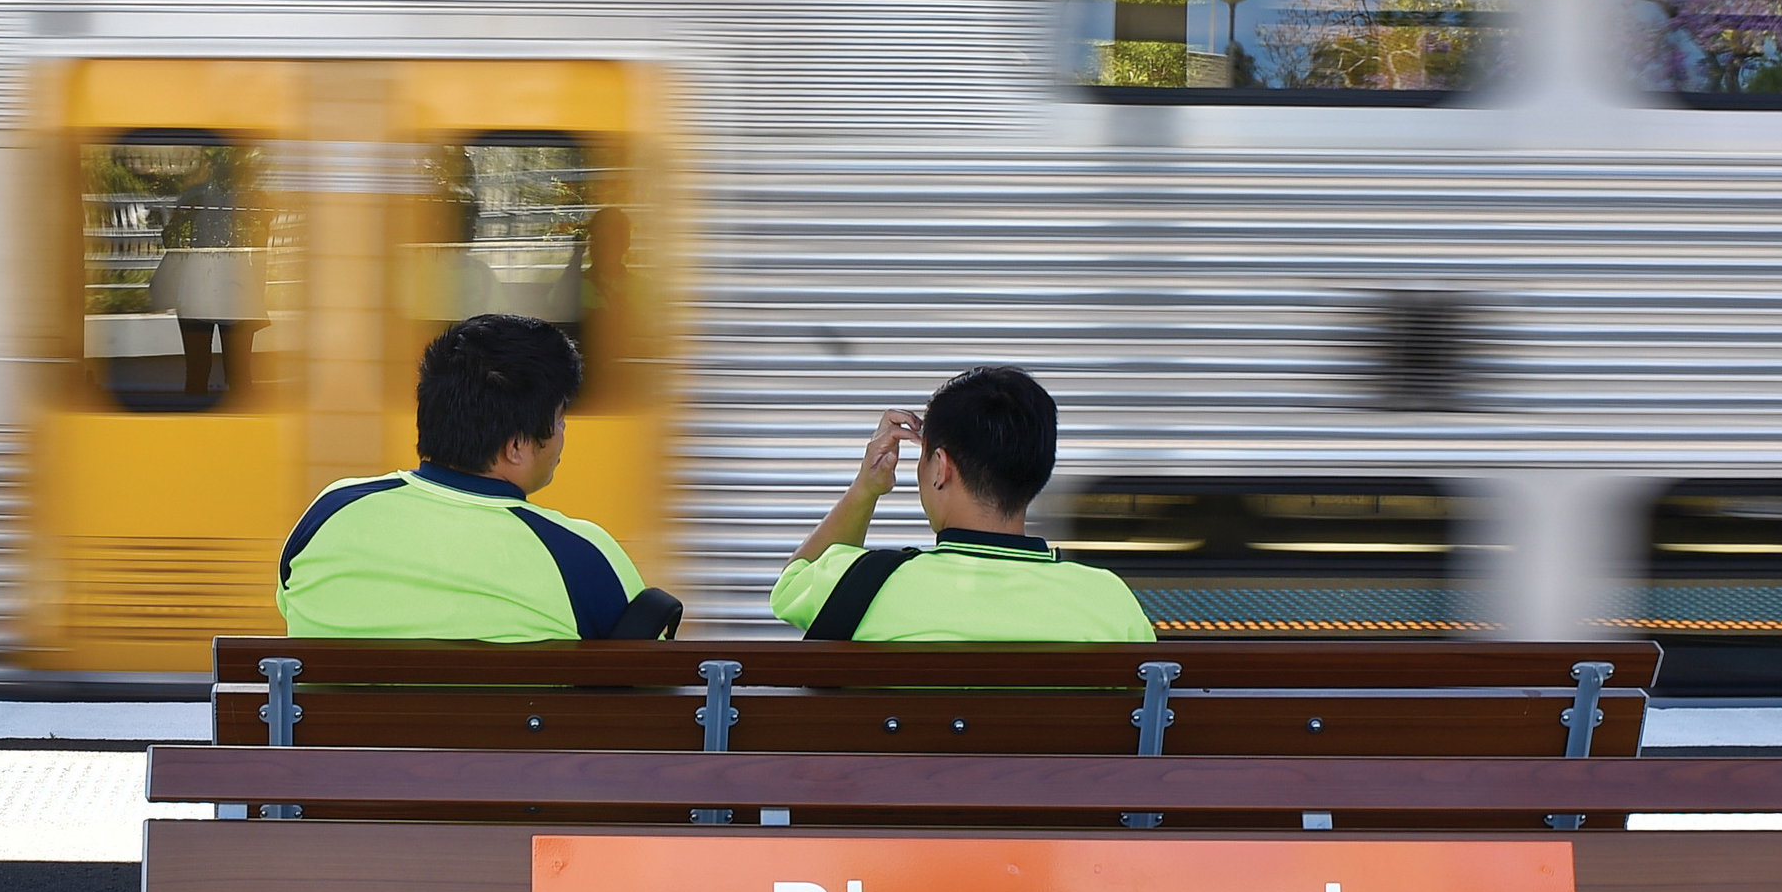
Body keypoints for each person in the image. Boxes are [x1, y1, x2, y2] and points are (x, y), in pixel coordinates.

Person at [277, 313, 680, 640]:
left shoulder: (328, 514)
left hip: (337, 742)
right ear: (516, 446)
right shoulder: (585, 558)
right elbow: (648, 682)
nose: (562, 434)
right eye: (559, 420)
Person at [770, 366, 1153, 643]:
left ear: (941, 467)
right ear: (1040, 472)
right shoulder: (1108, 601)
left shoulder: (863, 584)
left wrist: (865, 488)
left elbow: (793, 579)